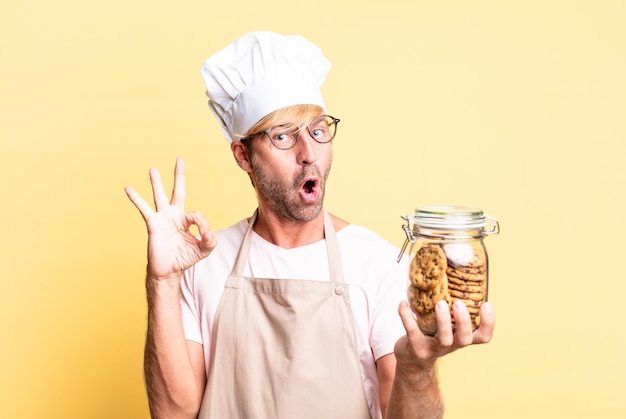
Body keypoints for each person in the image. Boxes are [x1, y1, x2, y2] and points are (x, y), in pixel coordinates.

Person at [125, 31, 495, 419]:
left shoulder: (379, 263)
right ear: (243, 156)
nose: (308, 154)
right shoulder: (201, 262)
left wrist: (417, 370)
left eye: (318, 131)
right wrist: (162, 282)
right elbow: (173, 414)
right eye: (283, 135)